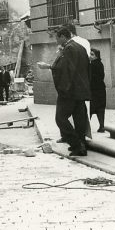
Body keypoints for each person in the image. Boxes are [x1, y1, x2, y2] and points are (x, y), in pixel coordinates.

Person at [37, 26, 91, 156]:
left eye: (57, 37)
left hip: (69, 90)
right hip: (80, 90)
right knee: (79, 119)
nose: (56, 40)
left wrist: (49, 66)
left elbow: (64, 69)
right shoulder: (80, 47)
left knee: (60, 118)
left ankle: (76, 144)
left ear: (63, 37)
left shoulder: (69, 48)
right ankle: (81, 144)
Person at [89, 48, 107, 133]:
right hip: (100, 90)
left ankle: (86, 128)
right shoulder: (100, 64)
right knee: (100, 109)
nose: (90, 56)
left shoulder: (91, 65)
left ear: (96, 56)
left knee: (90, 109)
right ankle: (102, 126)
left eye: (92, 54)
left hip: (93, 90)